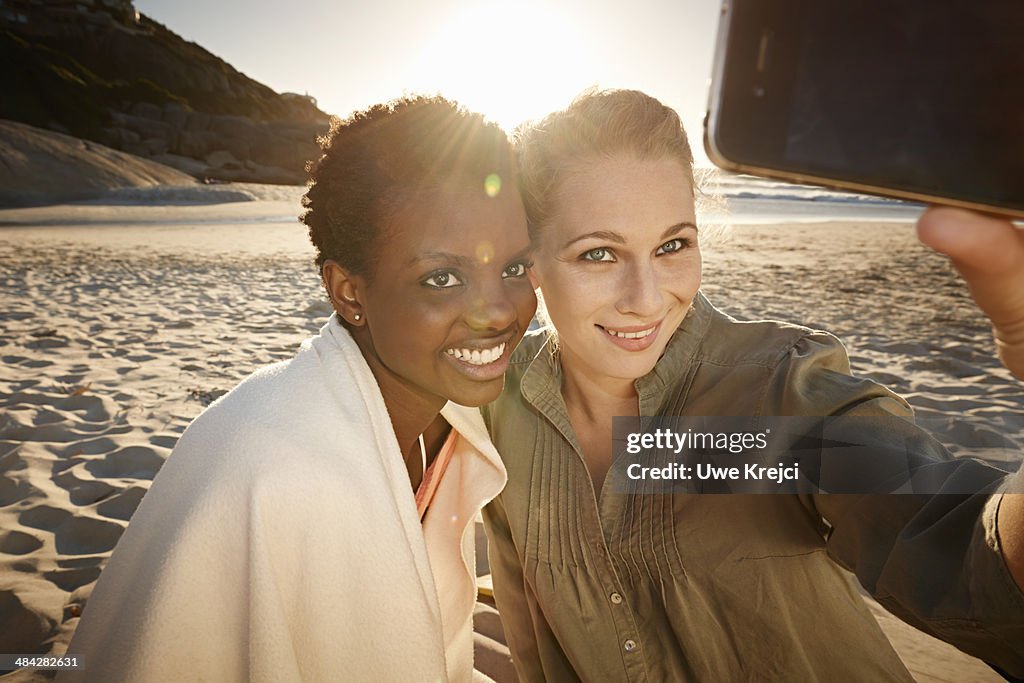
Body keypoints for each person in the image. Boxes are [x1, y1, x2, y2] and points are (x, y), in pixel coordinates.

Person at [481, 89, 1024, 681]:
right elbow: (531, 641)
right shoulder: (500, 408)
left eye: (672, 246)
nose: (646, 299)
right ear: (529, 263)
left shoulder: (772, 393)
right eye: (599, 254)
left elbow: (960, 547)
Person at [60, 96, 537, 682]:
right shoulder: (280, 470)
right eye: (442, 278)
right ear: (349, 293)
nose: (497, 312)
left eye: (515, 268)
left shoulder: (446, 407)